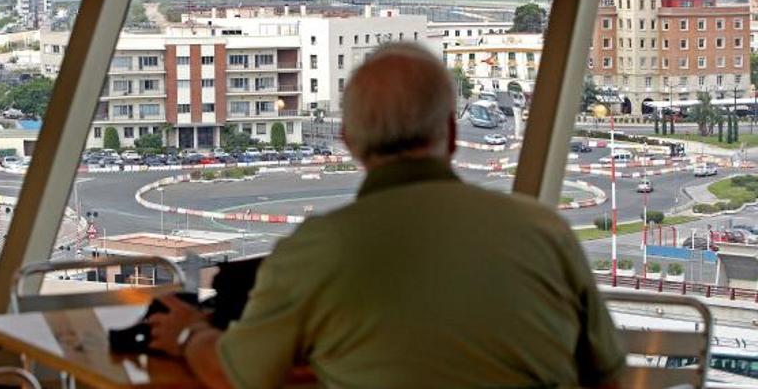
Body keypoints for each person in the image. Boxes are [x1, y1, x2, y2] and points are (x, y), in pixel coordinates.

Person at [148, 43, 625, 389]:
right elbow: (609, 372)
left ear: (351, 142)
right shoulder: (545, 230)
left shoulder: (317, 249)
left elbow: (234, 375)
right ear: (453, 133)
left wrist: (188, 333)